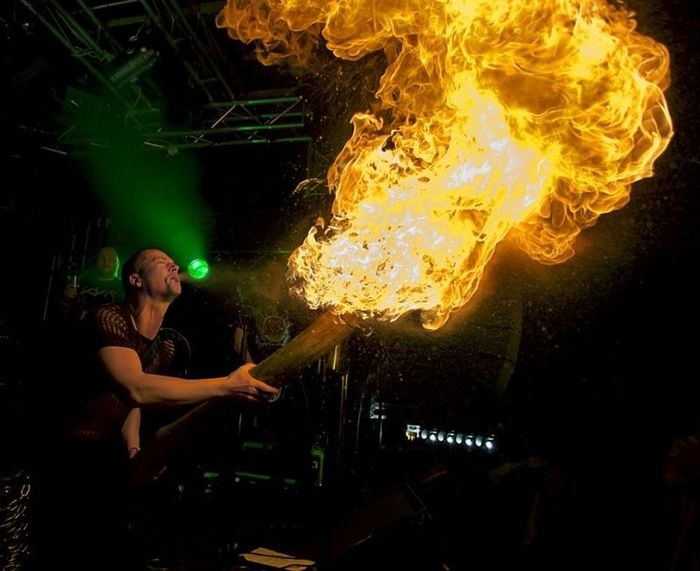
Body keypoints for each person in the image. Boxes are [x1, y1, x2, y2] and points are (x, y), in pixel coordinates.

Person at [29, 247, 280, 570]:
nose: (174, 266)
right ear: (136, 279)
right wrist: (226, 385)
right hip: (64, 454)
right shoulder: (108, 317)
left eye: (173, 263)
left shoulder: (165, 345)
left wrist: (133, 449)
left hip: (102, 457)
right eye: (162, 263)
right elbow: (136, 387)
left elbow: (132, 404)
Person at [60, 245, 125, 324]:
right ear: (97, 261)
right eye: (102, 258)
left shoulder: (123, 286)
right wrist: (66, 298)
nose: (106, 262)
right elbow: (65, 312)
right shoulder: (82, 281)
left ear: (118, 263)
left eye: (111, 258)